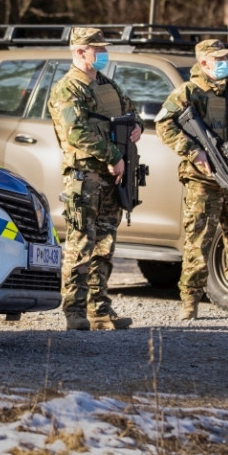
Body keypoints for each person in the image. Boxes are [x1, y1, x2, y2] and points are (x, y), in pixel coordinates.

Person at [156, 39, 228, 320]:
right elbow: (163, 125)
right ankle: (190, 302)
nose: (223, 63)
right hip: (202, 181)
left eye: (224, 58)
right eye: (217, 59)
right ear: (203, 62)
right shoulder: (188, 92)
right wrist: (194, 153)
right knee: (198, 241)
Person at [47, 27, 143, 331]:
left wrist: (138, 125)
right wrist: (113, 156)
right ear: (79, 52)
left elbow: (130, 111)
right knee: (80, 241)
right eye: (97, 49)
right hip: (84, 176)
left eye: (104, 49)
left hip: (111, 178)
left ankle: (100, 309)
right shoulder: (67, 88)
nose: (103, 54)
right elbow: (76, 133)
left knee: (105, 243)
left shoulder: (107, 85)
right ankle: (74, 310)